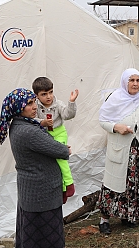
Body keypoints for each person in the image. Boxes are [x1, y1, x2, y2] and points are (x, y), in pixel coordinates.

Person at [0, 88, 71, 248]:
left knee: (31, 237)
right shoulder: (28, 131)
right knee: (45, 239)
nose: (34, 107)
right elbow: (61, 150)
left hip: (32, 193)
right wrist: (65, 149)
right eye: (29, 104)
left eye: (34, 102)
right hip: (41, 195)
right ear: (18, 107)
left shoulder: (19, 125)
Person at [96, 68, 139, 234]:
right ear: (125, 82)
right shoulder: (115, 98)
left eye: (138, 80)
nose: (136, 84)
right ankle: (104, 220)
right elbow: (103, 120)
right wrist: (116, 127)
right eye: (132, 80)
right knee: (114, 185)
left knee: (133, 185)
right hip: (120, 150)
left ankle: (128, 216)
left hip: (138, 151)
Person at [32, 76, 79, 204]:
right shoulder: (35, 106)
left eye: (51, 92)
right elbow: (31, 119)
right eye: (44, 94)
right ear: (36, 96)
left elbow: (68, 115)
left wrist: (71, 102)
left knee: (60, 156)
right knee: (52, 163)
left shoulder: (58, 104)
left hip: (59, 133)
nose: (49, 96)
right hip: (45, 135)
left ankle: (69, 183)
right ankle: (61, 190)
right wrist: (42, 122)